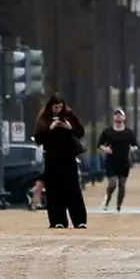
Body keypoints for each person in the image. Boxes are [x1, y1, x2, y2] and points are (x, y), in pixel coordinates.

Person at [33, 94, 87, 229]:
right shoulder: (44, 117)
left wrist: (70, 128)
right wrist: (50, 128)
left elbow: (80, 132)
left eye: (60, 107)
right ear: (50, 106)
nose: (58, 110)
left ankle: (79, 220)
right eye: (55, 107)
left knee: (73, 189)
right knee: (54, 190)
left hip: (68, 157)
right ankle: (58, 220)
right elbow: (38, 138)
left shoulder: (69, 115)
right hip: (52, 158)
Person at [98, 108, 138, 212]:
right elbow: (100, 144)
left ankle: (118, 206)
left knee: (122, 184)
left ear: (124, 118)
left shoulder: (128, 132)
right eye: (116, 115)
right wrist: (105, 149)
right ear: (113, 117)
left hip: (124, 162)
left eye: (120, 115)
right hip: (111, 161)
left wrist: (132, 149)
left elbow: (135, 145)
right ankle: (107, 199)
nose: (118, 116)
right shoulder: (108, 131)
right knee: (112, 184)